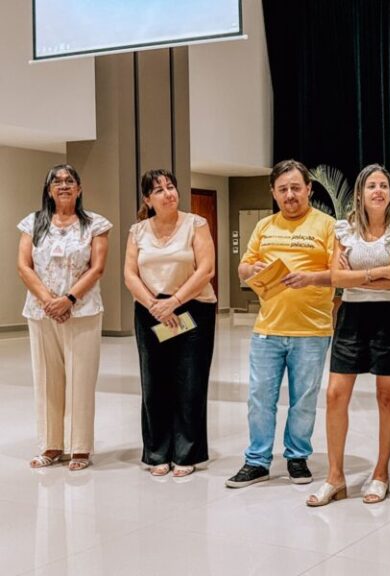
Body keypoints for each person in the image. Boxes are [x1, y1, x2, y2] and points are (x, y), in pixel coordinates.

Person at [226, 159, 335, 489]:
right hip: (268, 329)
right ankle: (257, 460)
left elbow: (339, 273)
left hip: (312, 330)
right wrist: (252, 270)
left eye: (296, 188)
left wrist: (310, 277)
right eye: (283, 189)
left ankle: (297, 457)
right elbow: (243, 269)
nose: (290, 195)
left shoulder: (327, 225)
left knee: (304, 399)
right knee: (260, 397)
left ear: (309, 190)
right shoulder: (264, 227)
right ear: (273, 192)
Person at [306, 164, 390, 507]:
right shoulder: (344, 230)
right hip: (352, 315)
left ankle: (381, 472)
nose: (377, 191)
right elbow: (335, 277)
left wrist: (360, 275)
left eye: (383, 185)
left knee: (387, 397)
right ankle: (335, 477)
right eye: (370, 186)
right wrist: (380, 273)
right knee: (335, 394)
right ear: (360, 195)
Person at [17, 164, 112, 471]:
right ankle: (51, 445)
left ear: (79, 188)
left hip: (82, 310)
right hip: (41, 311)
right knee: (46, 378)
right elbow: (24, 266)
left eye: (70, 180)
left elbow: (97, 267)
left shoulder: (95, 223)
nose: (63, 185)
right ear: (48, 190)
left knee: (80, 379)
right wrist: (49, 301)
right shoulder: (33, 223)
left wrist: (69, 299)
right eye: (56, 181)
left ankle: (80, 448)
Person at [124, 169, 217, 478]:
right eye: (159, 190)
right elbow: (129, 274)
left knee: (189, 382)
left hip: (192, 308)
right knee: (154, 382)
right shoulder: (138, 231)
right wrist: (155, 305)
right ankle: (156, 453)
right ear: (148, 199)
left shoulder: (195, 224)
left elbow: (205, 269)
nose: (168, 193)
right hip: (151, 310)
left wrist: (173, 303)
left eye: (171, 187)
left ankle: (188, 452)